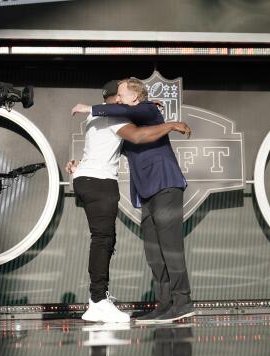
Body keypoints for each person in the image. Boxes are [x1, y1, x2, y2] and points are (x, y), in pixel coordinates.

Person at [71, 78, 194, 324]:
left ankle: (182, 302)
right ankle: (164, 304)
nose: (118, 99)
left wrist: (169, 124)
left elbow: (136, 130)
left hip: (166, 184)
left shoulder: (148, 109)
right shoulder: (125, 123)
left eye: (122, 95)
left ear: (135, 99)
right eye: (116, 96)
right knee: (154, 253)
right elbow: (113, 144)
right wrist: (81, 166)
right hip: (147, 192)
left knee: (170, 248)